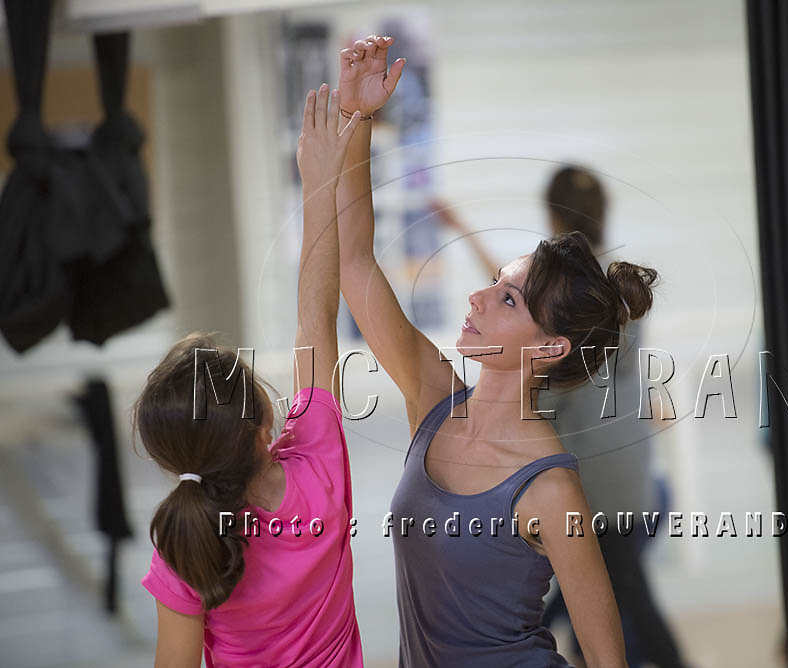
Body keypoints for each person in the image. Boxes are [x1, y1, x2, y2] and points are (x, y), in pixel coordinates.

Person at [335, 35, 657, 668]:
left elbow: (607, 659)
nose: (480, 298)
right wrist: (358, 119)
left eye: (509, 300)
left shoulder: (553, 489)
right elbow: (352, 262)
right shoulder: (431, 395)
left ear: (551, 346)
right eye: (495, 285)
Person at [135, 86, 365, 667]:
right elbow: (316, 318)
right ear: (264, 422)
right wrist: (319, 181)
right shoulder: (320, 467)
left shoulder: (187, 546)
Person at [437, 166, 691, 668]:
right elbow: (525, 317)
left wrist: (508, 407)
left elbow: (546, 355)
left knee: (619, 603)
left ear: (553, 214)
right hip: (624, 460)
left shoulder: (577, 293)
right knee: (593, 598)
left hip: (595, 472)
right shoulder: (610, 281)